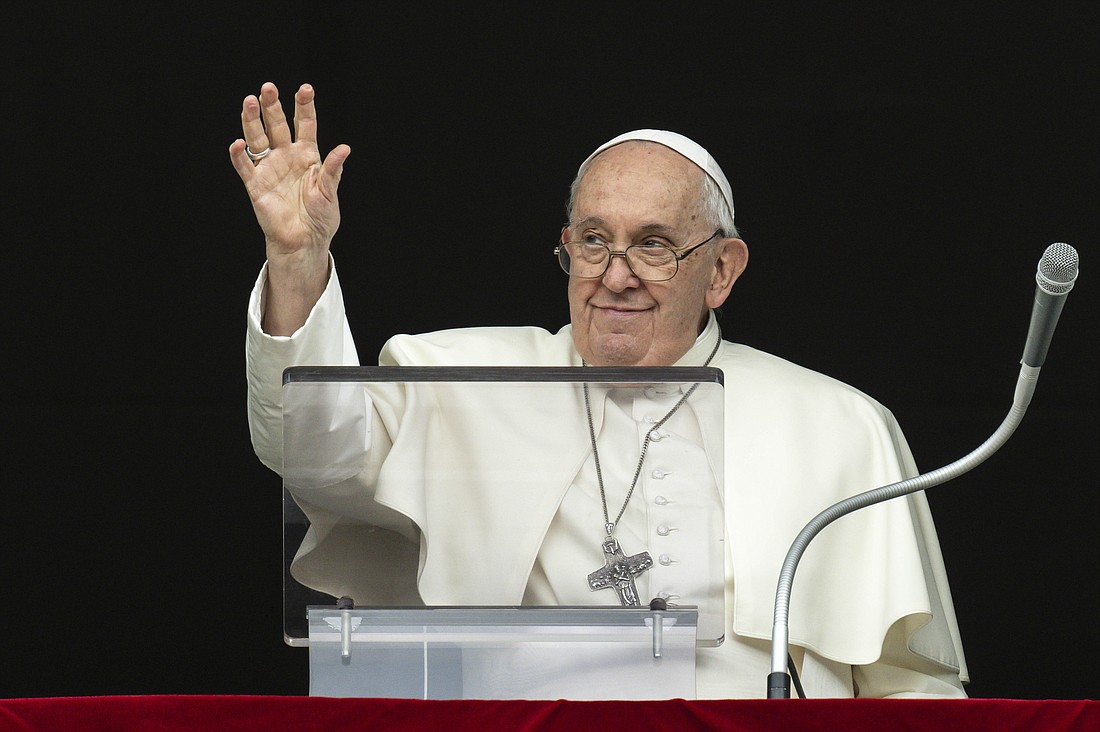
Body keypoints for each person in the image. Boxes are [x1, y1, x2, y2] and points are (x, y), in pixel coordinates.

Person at [233, 82, 968, 698]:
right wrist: (298, 262)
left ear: (721, 271)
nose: (615, 275)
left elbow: (911, 688)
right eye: (592, 240)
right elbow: (309, 452)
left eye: (652, 245)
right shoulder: (462, 382)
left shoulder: (837, 424)